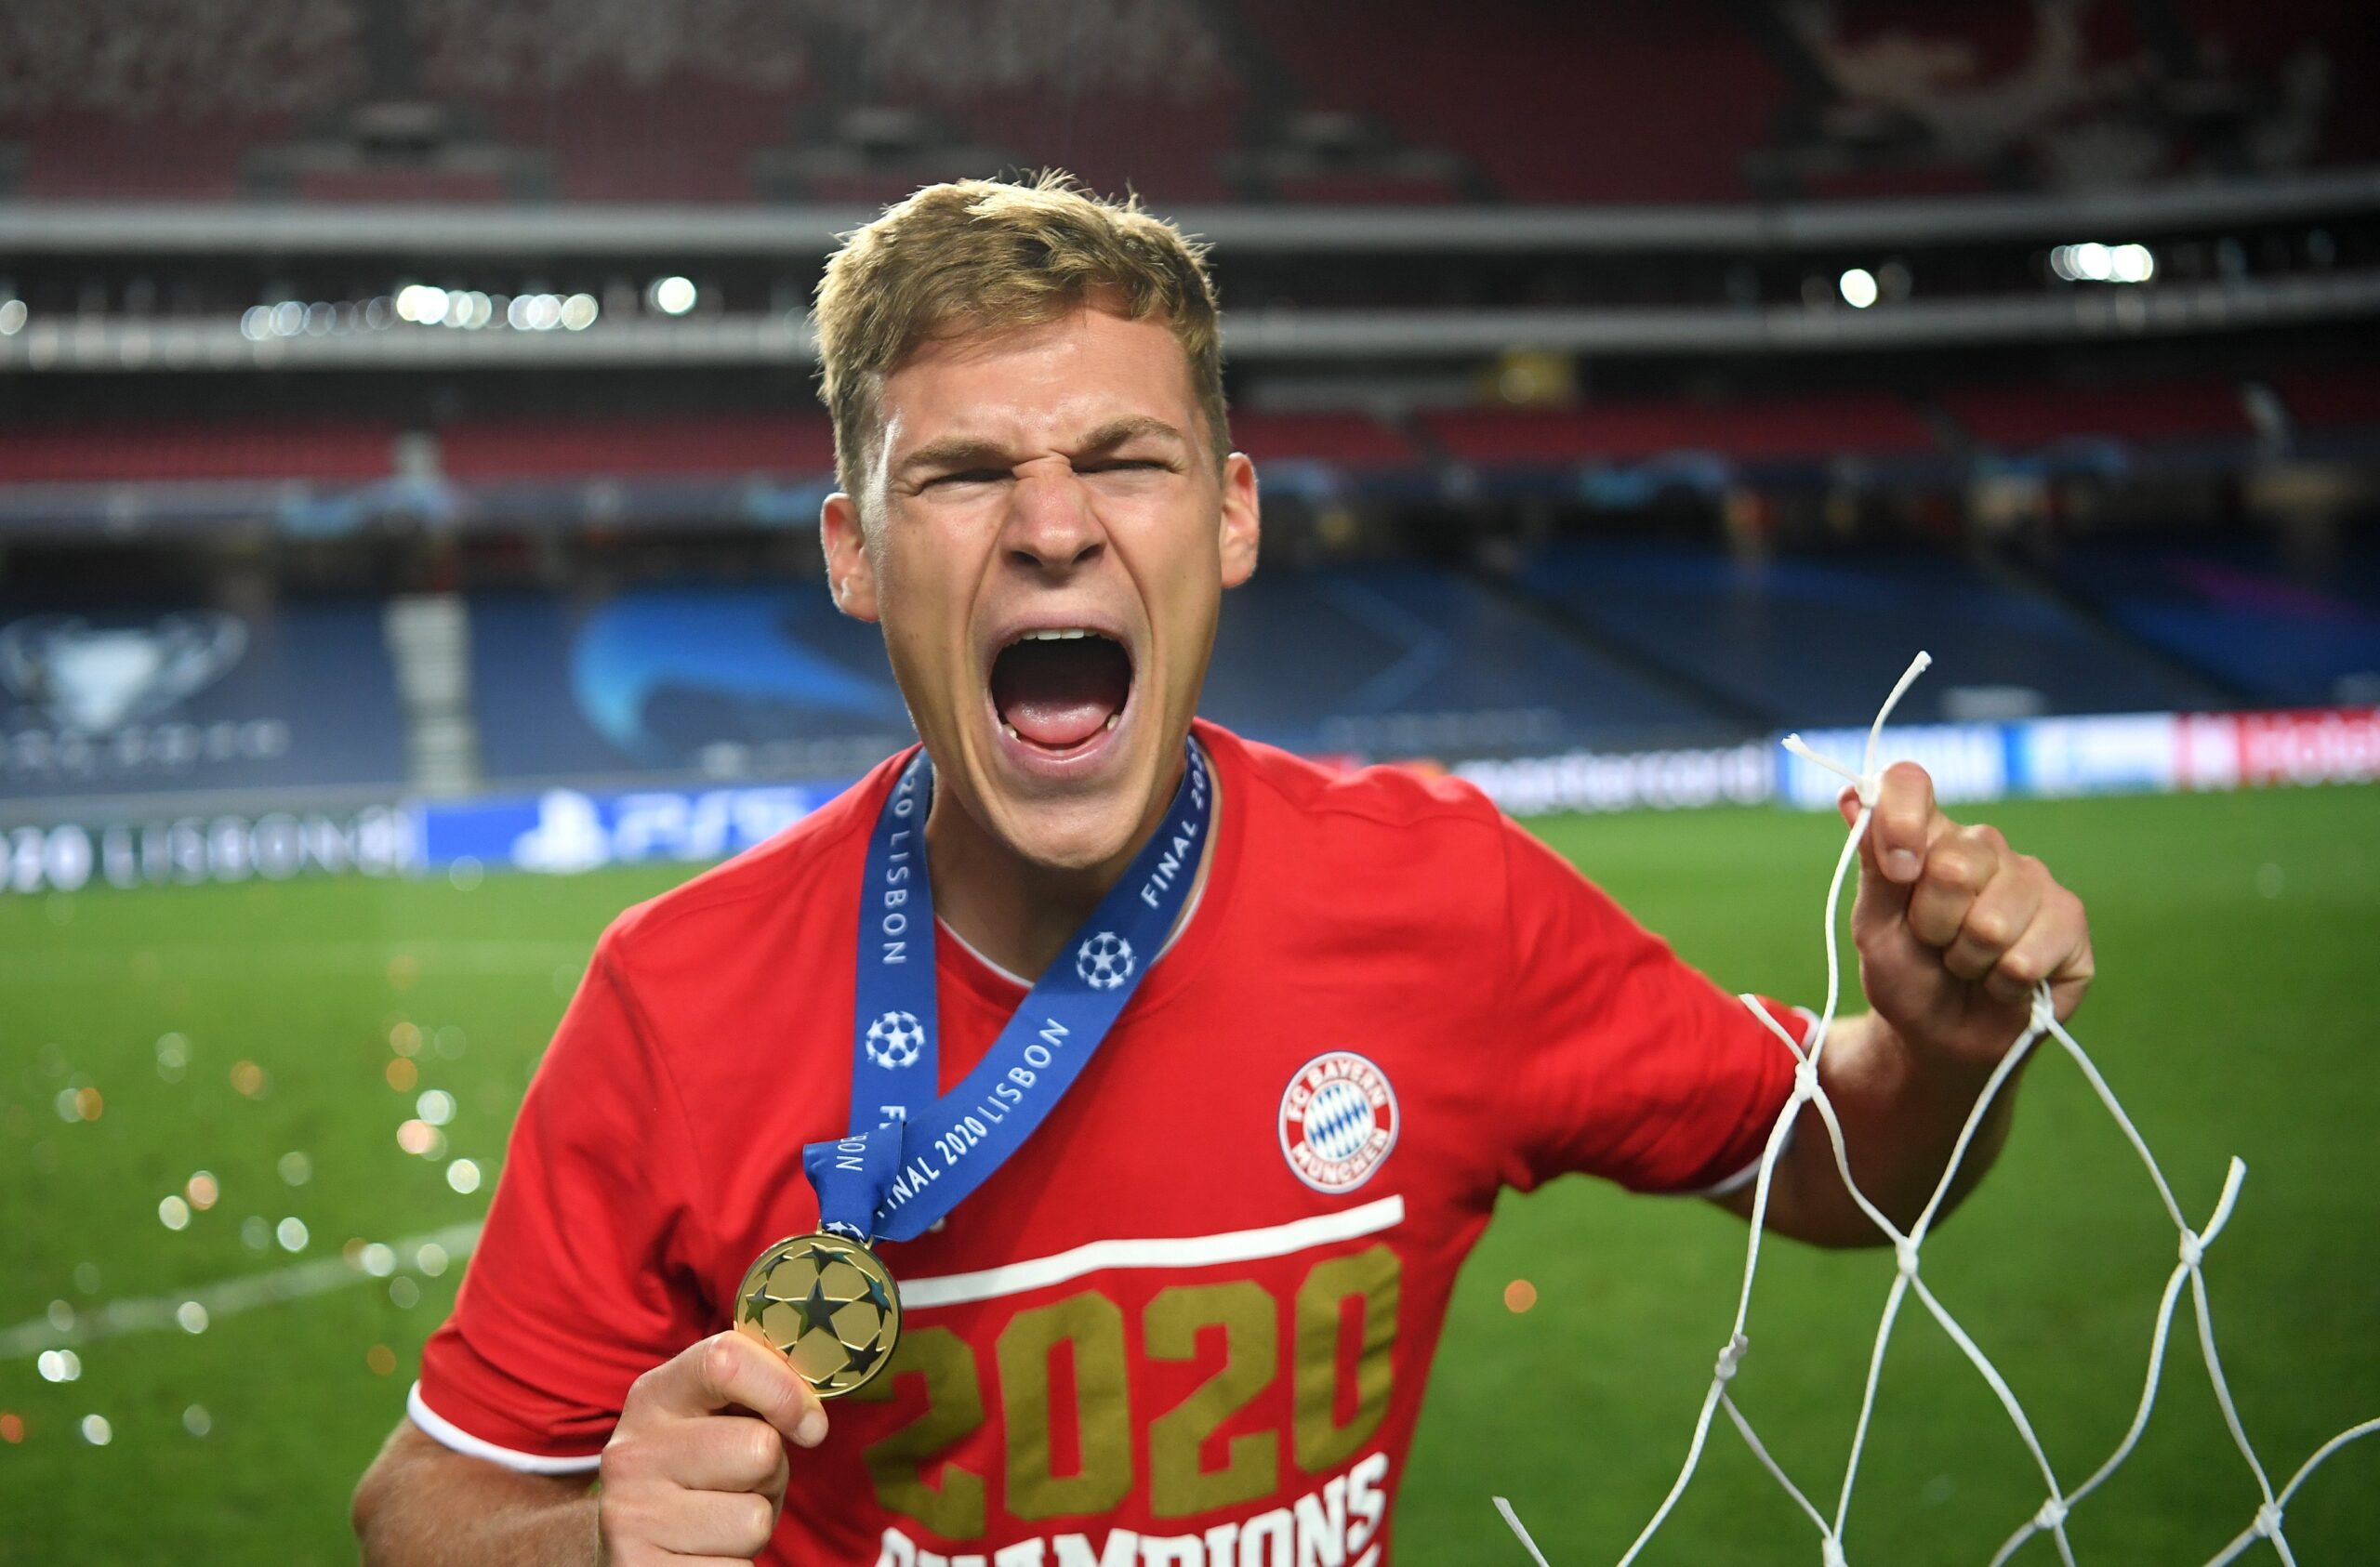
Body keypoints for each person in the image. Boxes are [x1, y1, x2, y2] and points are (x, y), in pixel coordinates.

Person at [351, 174, 2093, 1567]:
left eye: (1127, 460)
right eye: (960, 474)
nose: (1053, 527)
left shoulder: (1443, 896)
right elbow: (423, 1507)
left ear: (1234, 515)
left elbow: (1845, 1168)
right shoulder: (679, 994)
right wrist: (595, 1539)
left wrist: (1941, 1052)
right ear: (856, 553)